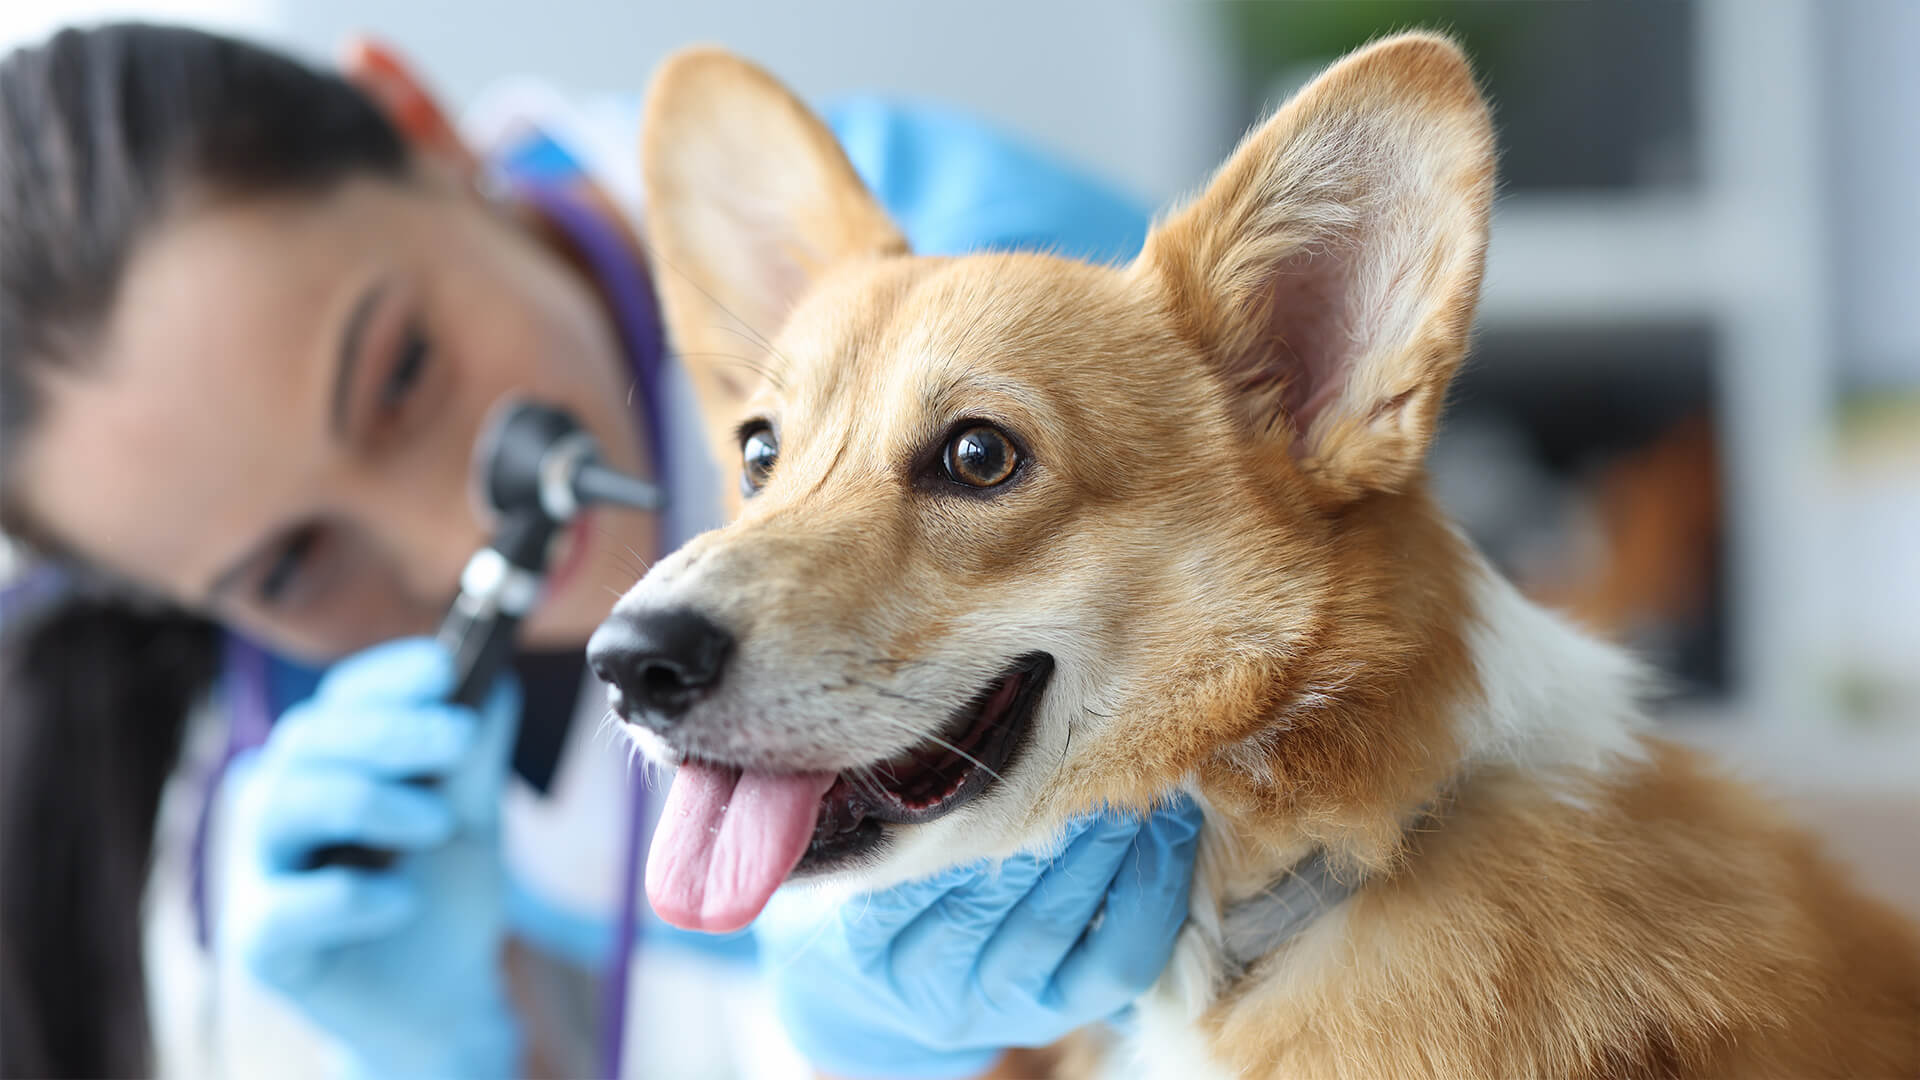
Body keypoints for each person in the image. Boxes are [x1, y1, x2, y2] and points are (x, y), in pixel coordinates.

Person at [0, 22, 1203, 1080]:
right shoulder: (308, 725)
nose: (454, 537)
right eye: (290, 565)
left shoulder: (1020, 313)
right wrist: (438, 1055)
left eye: (404, 375)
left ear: (423, 126)